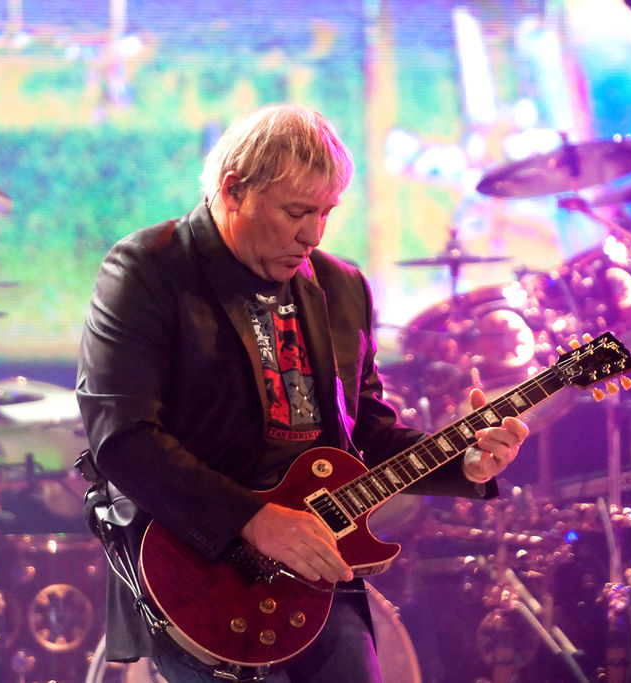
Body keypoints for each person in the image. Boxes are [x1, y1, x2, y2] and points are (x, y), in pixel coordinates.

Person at [76, 103, 529, 683]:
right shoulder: (148, 270)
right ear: (233, 190)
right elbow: (124, 440)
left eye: (326, 213)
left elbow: (367, 431)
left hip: (318, 568)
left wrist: (464, 461)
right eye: (296, 212)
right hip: (195, 565)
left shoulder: (341, 287)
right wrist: (255, 519)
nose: (313, 235)